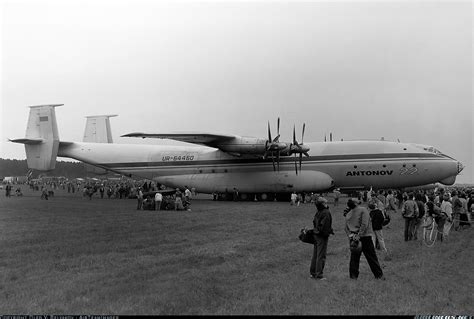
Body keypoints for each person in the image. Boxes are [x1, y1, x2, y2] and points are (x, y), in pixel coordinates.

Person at [344, 198, 384, 280]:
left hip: (353, 237)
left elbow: (346, 228)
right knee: (371, 257)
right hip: (365, 237)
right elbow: (364, 224)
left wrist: (351, 236)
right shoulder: (363, 210)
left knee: (354, 258)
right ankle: (379, 275)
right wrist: (359, 235)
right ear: (355, 203)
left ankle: (353, 276)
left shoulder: (349, 214)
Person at [310, 197, 334, 280]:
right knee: (321, 256)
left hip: (316, 234)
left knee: (315, 255)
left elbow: (314, 222)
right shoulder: (326, 212)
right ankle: (319, 274)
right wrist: (325, 233)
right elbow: (325, 225)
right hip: (321, 236)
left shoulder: (318, 212)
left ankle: (313, 273)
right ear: (323, 203)